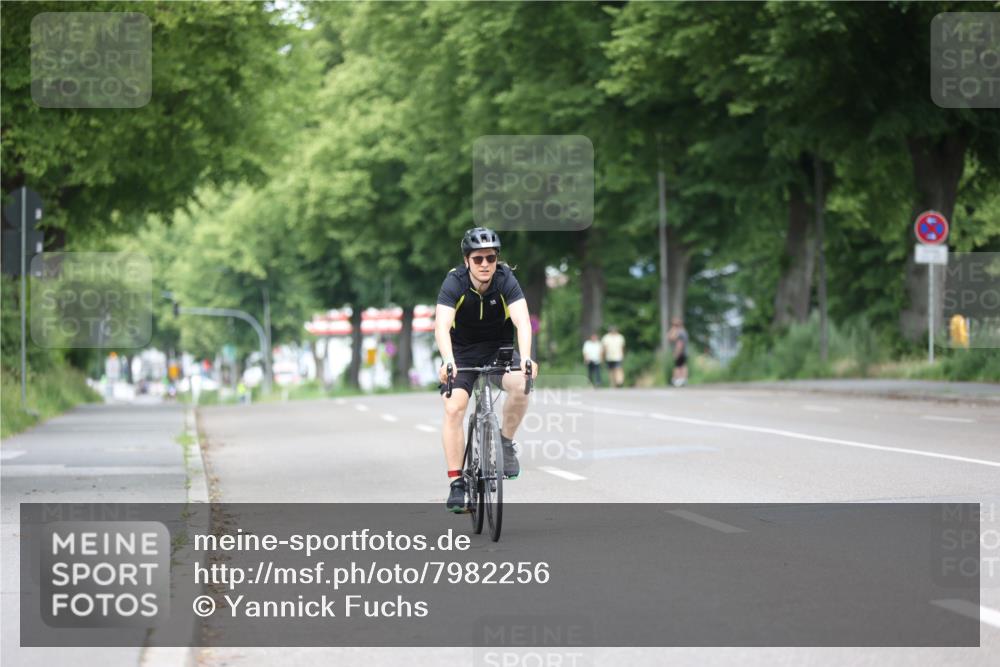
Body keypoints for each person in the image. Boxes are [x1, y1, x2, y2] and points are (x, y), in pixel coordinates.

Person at [435, 227, 538, 513]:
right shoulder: (454, 282)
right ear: (467, 260)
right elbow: (442, 325)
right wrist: (447, 360)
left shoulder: (506, 280)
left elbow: (522, 321)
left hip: (499, 351)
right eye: (478, 259)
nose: (485, 265)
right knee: (454, 408)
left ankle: (505, 442)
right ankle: (456, 483)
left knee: (522, 384)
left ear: (497, 259)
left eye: (490, 258)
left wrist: (527, 357)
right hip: (462, 353)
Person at [668, 317, 689, 387]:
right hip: (684, 352)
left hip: (680, 352)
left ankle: (678, 380)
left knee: (678, 366)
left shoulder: (680, 332)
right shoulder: (683, 331)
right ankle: (683, 380)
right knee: (683, 365)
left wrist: (677, 353)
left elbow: (679, 343)